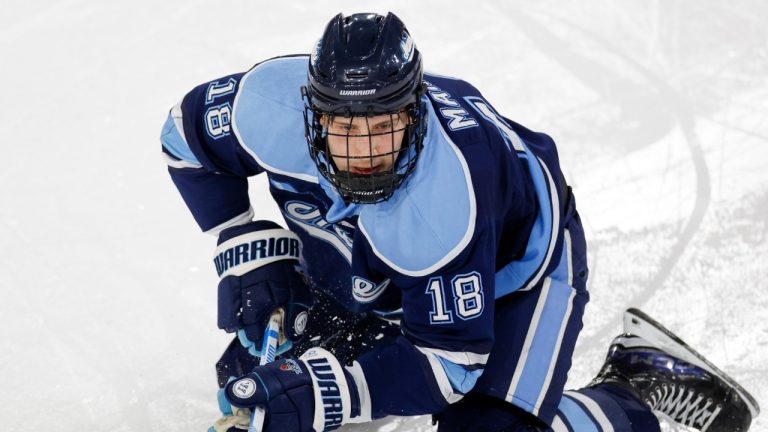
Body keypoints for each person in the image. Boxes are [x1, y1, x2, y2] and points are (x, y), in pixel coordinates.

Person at [160, 12, 758, 432]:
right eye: (345, 127)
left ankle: (636, 389)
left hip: (509, 271)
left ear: (415, 114)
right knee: (261, 380)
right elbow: (182, 142)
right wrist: (243, 238)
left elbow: (448, 367)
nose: (365, 152)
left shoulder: (444, 202)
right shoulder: (267, 107)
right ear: (312, 115)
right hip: (374, 263)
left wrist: (327, 390)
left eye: (384, 126)